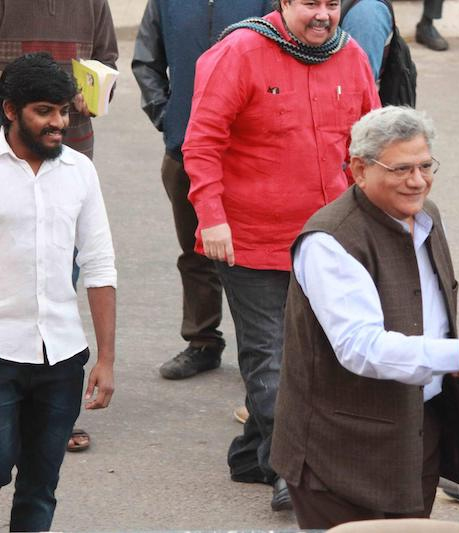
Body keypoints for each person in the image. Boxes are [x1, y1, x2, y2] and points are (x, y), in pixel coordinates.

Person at [271, 106, 459, 529]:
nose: (417, 180)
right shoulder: (330, 241)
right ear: (359, 170)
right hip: (341, 454)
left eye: (425, 166)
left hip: (415, 437)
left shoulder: (425, 216)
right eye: (401, 169)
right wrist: (458, 355)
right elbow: (360, 347)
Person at [182, 0, 380, 512]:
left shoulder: (351, 55)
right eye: (309, 3)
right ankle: (295, 470)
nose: (323, 15)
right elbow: (201, 141)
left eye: (332, 3)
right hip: (248, 237)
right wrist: (212, 215)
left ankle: (254, 454)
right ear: (283, 3)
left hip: (326, 240)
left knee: (314, 352)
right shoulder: (239, 52)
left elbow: (370, 142)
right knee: (270, 355)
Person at [0, 52, 116, 532]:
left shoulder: (78, 172)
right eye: (44, 111)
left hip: (62, 356)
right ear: (11, 110)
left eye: (64, 111)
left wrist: (106, 359)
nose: (59, 123)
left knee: (40, 485)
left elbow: (99, 264)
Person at [132, 0, 272, 384]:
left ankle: (263, 352)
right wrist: (169, 117)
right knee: (195, 252)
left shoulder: (263, 2)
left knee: (257, 255)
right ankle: (202, 341)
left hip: (251, 150)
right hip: (184, 151)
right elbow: (146, 62)